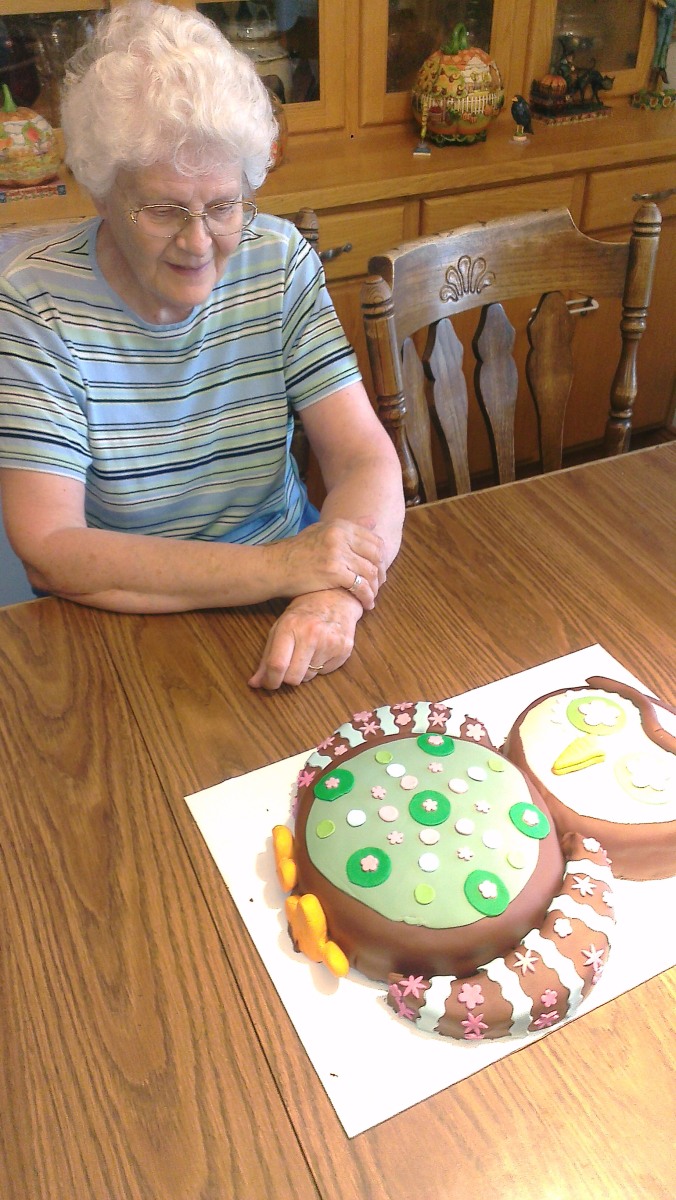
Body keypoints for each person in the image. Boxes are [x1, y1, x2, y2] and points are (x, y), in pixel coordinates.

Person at [0, 1, 404, 690]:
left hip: (289, 601)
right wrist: (282, 566)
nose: (198, 242)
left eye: (222, 206)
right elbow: (51, 547)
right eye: (163, 210)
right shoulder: (35, 302)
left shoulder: (277, 260)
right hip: (124, 623)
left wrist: (331, 597)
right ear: (101, 192)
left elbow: (363, 456)